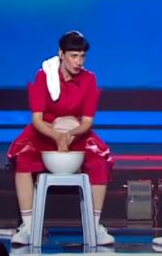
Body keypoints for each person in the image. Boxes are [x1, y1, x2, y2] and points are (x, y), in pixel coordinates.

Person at [6, 31, 115, 246]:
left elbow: (87, 122)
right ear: (61, 54)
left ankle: (95, 228)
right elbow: (37, 120)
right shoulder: (44, 76)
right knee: (23, 158)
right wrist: (56, 136)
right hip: (45, 132)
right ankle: (28, 227)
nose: (79, 61)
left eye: (82, 56)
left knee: (99, 162)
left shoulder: (89, 79)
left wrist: (70, 134)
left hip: (76, 132)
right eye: (74, 56)